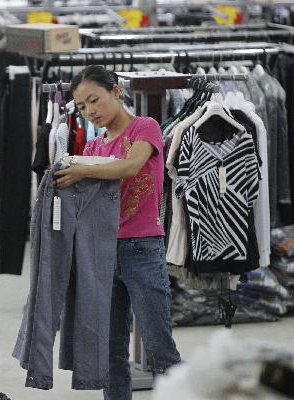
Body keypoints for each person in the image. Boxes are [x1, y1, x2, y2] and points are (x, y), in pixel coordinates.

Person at [54, 65, 182, 400]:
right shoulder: (95, 148)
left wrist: (79, 170)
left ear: (116, 91)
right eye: (82, 107)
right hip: (101, 254)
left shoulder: (146, 128)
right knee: (110, 353)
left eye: (94, 100)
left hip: (142, 250)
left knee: (159, 347)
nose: (90, 111)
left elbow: (130, 167)